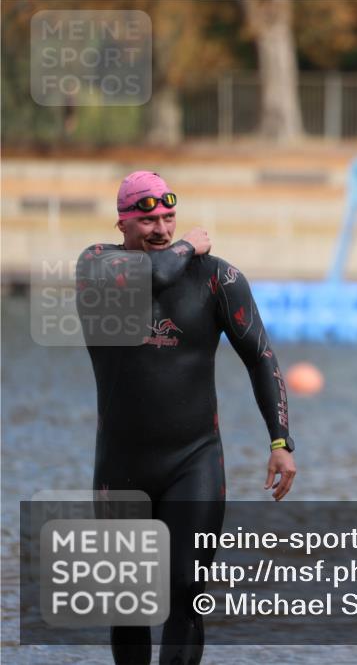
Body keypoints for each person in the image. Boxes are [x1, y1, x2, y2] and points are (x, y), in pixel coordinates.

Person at [76, 171, 297, 665]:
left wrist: (281, 442)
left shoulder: (218, 278)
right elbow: (153, 275)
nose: (161, 228)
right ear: (121, 224)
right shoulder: (97, 265)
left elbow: (261, 357)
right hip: (122, 466)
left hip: (193, 460)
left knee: (186, 588)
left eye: (168, 218)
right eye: (147, 219)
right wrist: (189, 245)